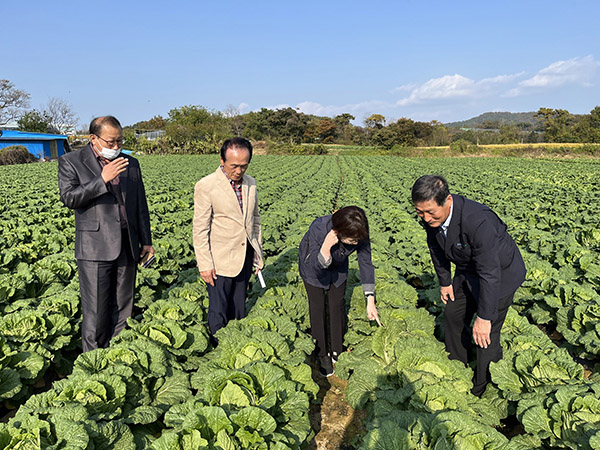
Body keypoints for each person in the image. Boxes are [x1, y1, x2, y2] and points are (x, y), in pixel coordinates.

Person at [411, 175, 526, 396]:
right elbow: (436, 249)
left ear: (448, 201)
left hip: (500, 275)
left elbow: (489, 272)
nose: (425, 218)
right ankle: (458, 367)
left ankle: (483, 386)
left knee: (486, 334)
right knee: (453, 314)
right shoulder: (430, 218)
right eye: (420, 212)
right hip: (468, 269)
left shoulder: (478, 221)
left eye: (430, 212)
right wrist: (445, 282)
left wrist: (484, 317)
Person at [58, 116, 153, 352]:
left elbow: (140, 205)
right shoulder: (71, 161)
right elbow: (69, 198)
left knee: (124, 305)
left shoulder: (131, 163)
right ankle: (93, 358)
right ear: (93, 138)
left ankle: (118, 353)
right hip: (95, 246)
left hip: (127, 243)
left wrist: (146, 241)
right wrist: (102, 179)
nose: (115, 147)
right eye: (110, 142)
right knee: (96, 310)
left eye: (119, 141)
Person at [192, 137, 263, 342]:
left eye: (244, 165)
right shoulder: (206, 185)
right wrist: (205, 264)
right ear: (222, 161)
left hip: (244, 256)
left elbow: (255, 220)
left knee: (239, 307)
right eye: (234, 166)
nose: (239, 171)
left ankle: (236, 343)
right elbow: (200, 229)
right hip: (219, 260)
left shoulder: (251, 183)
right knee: (219, 310)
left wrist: (258, 254)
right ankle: (219, 350)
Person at [299, 206, 379, 377]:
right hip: (313, 266)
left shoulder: (358, 229)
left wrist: (370, 299)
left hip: (339, 266)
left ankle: (337, 349)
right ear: (338, 232)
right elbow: (317, 269)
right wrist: (326, 248)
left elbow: (365, 262)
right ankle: (322, 354)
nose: (356, 244)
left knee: (337, 303)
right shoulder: (319, 229)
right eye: (352, 241)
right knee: (318, 306)